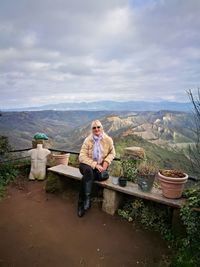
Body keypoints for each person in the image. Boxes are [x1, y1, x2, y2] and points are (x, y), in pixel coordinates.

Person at [78, 120, 116, 217]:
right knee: (88, 171)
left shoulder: (108, 140)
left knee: (87, 177)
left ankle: (81, 204)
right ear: (92, 129)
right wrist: (95, 164)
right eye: (94, 128)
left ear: (102, 128)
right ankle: (87, 199)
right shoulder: (88, 140)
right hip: (86, 165)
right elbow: (81, 157)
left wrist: (106, 162)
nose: (96, 129)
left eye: (98, 127)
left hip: (99, 167)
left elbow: (112, 153)